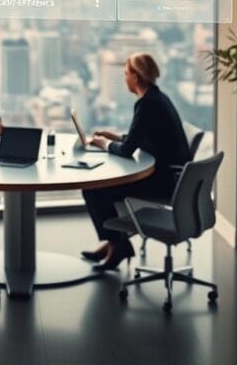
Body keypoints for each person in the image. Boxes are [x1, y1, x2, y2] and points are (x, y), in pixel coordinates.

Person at [80, 52, 192, 271]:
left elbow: (127, 151)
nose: (125, 78)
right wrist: (115, 137)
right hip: (173, 176)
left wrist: (103, 143)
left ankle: (117, 245)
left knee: (94, 189)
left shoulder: (147, 104)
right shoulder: (157, 98)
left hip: (163, 181)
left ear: (136, 77)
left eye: (126, 74)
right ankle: (115, 242)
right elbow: (144, 137)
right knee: (99, 188)